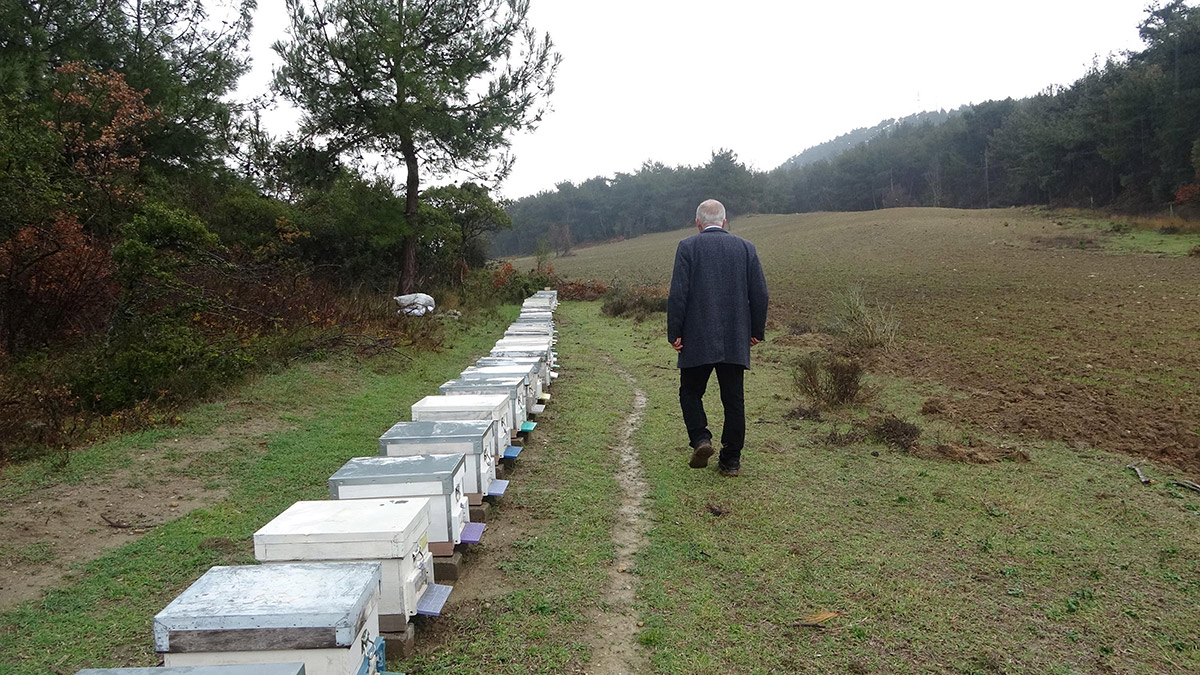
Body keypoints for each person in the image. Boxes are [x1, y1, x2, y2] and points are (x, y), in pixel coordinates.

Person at [667, 199, 769, 477]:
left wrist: (674, 333)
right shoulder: (746, 249)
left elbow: (678, 294)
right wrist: (755, 331)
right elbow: (760, 294)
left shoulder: (687, 247)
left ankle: (701, 438)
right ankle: (731, 461)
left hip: (696, 337)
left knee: (690, 392)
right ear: (724, 222)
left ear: (698, 223)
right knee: (734, 401)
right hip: (735, 339)